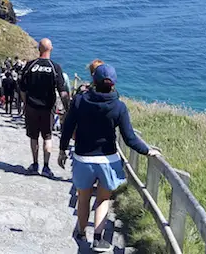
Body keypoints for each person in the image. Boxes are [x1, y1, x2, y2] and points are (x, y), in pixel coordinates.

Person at [59, 64, 160, 251]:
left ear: (93, 81)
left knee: (83, 198)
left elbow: (67, 127)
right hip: (107, 160)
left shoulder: (80, 101)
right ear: (113, 84)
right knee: (103, 199)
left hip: (83, 158)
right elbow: (129, 138)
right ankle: (98, 238)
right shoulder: (119, 106)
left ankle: (81, 232)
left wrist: (62, 150)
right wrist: (147, 151)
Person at [21, 39, 69, 177]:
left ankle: (35, 164)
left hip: (31, 106)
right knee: (47, 136)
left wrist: (25, 103)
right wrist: (67, 109)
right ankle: (46, 167)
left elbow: (22, 88)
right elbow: (63, 92)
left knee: (33, 136)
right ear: (51, 49)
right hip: (48, 108)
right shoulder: (55, 67)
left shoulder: (30, 65)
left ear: (39, 49)